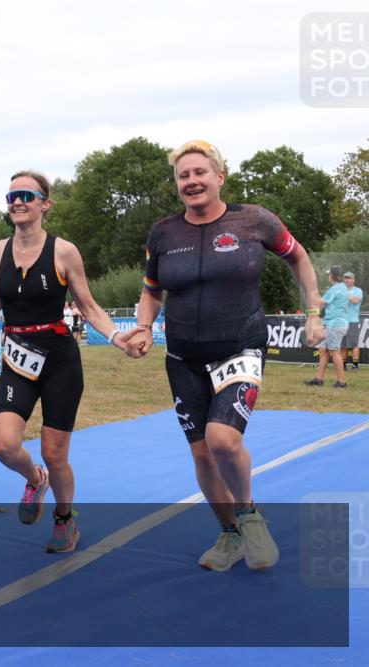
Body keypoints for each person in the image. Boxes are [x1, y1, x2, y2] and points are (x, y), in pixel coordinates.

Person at [126, 139, 325, 572]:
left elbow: (300, 258)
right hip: (182, 357)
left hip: (241, 347)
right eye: (183, 176)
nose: (192, 181)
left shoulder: (255, 220)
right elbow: (151, 290)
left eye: (200, 173)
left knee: (223, 440)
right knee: (201, 454)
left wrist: (312, 309)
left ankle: (249, 515)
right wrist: (143, 328)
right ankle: (230, 534)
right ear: (177, 184)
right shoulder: (163, 232)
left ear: (220, 176)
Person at [0, 170, 131, 553]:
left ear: (45, 204)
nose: (17, 202)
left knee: (56, 455)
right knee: (4, 445)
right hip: (17, 360)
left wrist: (118, 336)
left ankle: (65, 519)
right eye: (11, 196)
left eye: (26, 195)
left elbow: (87, 306)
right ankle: (35, 479)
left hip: (58, 363)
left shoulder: (64, 251)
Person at [304, 266, 351, 388]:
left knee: (335, 353)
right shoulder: (342, 288)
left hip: (335, 325)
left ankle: (342, 382)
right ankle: (319, 379)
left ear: (333, 277)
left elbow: (320, 303)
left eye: (329, 275)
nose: (328, 277)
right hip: (334, 324)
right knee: (323, 350)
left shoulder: (335, 289)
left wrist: (312, 294)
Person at [342, 271, 363, 371]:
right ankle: (343, 365)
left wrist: (346, 293)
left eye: (349, 278)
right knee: (343, 345)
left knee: (354, 344)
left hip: (352, 321)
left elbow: (355, 301)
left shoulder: (358, 290)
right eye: (345, 278)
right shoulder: (341, 291)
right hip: (342, 321)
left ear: (353, 280)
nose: (347, 280)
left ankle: (355, 365)